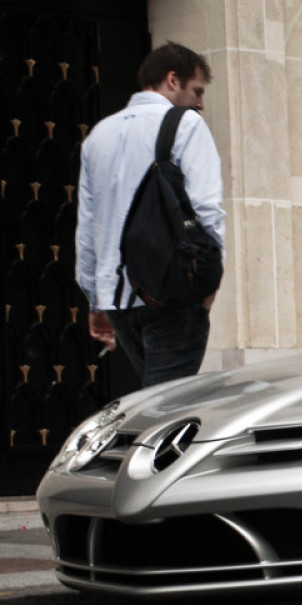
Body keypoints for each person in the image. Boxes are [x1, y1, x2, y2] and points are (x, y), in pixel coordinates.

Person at [75, 42, 225, 388]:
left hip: (118, 298)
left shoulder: (99, 135)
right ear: (172, 80)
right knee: (167, 410)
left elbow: (88, 227)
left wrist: (96, 299)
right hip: (172, 291)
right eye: (197, 91)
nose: (200, 102)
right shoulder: (187, 124)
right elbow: (206, 209)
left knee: (155, 399)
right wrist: (209, 279)